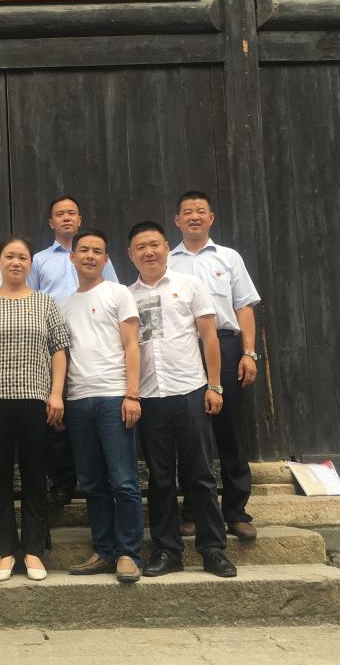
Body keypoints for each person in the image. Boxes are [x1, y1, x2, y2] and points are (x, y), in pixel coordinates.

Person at [126, 220, 237, 578]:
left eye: (154, 245)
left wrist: (214, 386)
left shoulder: (190, 285)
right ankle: (167, 551)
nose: (149, 252)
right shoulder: (126, 296)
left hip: (190, 390)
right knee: (159, 479)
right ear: (130, 255)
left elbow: (209, 337)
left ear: (165, 247)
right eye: (141, 247)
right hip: (149, 396)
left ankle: (213, 550)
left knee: (201, 474)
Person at [0, 237, 69, 582]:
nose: (15, 262)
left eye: (22, 257)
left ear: (30, 264)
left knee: (34, 475)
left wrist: (56, 394)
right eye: (9, 256)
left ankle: (34, 550)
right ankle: (5, 551)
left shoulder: (45, 302)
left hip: (35, 399)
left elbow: (58, 350)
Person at [169, 191, 262, 541]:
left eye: (200, 211)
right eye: (187, 211)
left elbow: (244, 307)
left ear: (211, 218)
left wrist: (248, 352)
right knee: (190, 431)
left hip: (225, 344)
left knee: (230, 429)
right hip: (184, 348)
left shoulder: (229, 257)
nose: (194, 216)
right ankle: (193, 511)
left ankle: (236, 511)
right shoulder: (168, 261)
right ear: (177, 221)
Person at [59, 230, 144, 584]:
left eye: (97, 251)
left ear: (106, 259)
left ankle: (129, 554)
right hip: (78, 401)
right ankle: (104, 550)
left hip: (113, 397)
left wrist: (132, 394)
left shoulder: (118, 293)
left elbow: (132, 344)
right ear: (72, 257)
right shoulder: (64, 305)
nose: (90, 256)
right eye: (83, 250)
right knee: (92, 482)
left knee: (123, 481)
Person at [29, 195, 120, 507]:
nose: (66, 217)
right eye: (60, 214)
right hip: (53, 345)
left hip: (94, 344)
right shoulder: (39, 261)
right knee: (56, 413)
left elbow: (114, 295)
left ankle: (101, 478)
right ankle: (61, 483)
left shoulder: (99, 257)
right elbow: (31, 299)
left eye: (72, 213)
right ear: (51, 222)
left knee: (93, 412)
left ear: (80, 220)